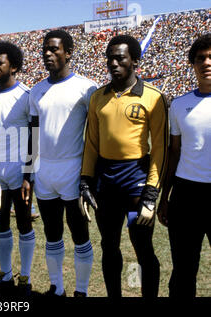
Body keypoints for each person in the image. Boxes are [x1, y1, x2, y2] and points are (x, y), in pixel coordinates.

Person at [80, 35, 168, 298]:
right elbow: (91, 144)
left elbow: (161, 150)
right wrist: (85, 181)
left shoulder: (153, 97)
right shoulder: (98, 98)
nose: (114, 63)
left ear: (135, 62)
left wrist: (152, 194)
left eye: (121, 58)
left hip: (136, 182)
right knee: (109, 246)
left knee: (143, 248)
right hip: (105, 182)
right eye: (110, 58)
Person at [22, 29, 97, 297]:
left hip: (74, 170)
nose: (48, 54)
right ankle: (57, 288)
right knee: (52, 234)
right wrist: (27, 173)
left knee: (79, 234)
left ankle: (82, 290)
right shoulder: (37, 91)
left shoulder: (86, 87)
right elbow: (33, 133)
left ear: (68, 52)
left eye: (54, 49)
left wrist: (89, 174)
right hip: (45, 171)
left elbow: (95, 133)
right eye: (45, 50)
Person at [157, 33, 211, 298]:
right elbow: (174, 153)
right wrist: (164, 197)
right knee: (183, 270)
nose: (207, 62)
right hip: (186, 194)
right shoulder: (179, 105)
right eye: (201, 58)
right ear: (193, 64)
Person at [0, 41, 35, 295]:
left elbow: (34, 136)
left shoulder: (26, 95)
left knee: (24, 223)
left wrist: (28, 174)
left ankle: (25, 276)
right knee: (0, 223)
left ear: (13, 66)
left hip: (20, 170)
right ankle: (5, 273)